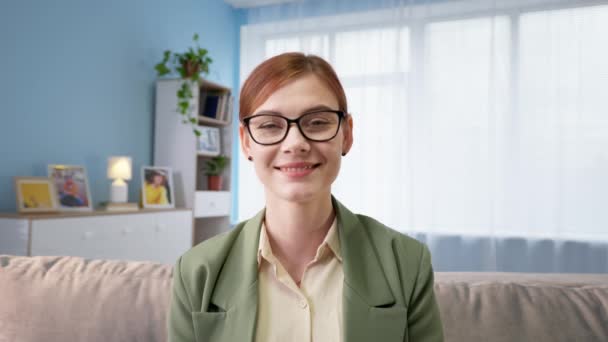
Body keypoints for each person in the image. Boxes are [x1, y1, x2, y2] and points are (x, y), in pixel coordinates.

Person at [168, 52, 444, 342]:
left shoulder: (407, 263)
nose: (295, 143)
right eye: (270, 125)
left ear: (346, 134)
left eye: (317, 122)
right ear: (246, 141)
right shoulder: (197, 272)